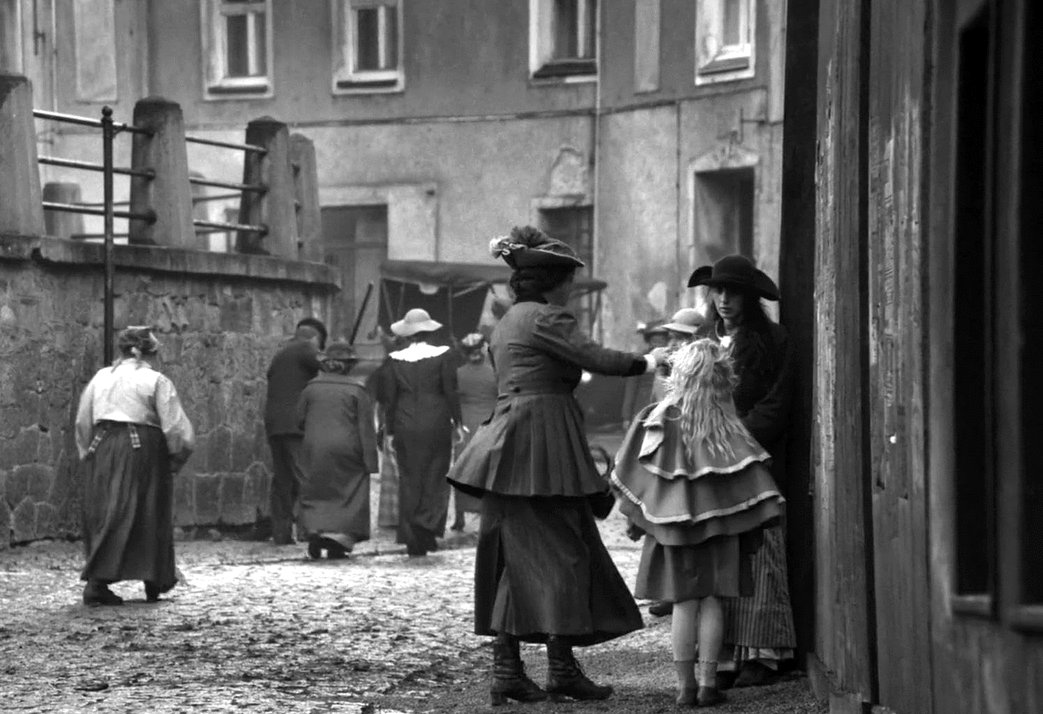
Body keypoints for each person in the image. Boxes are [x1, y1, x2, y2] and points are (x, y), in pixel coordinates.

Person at [448, 225, 671, 705]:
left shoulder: (509, 320)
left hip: (509, 440)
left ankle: (513, 668)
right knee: (565, 552)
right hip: (540, 439)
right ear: (552, 280)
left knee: (512, 555)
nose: (572, 285)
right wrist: (652, 361)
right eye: (569, 276)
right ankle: (557, 668)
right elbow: (596, 358)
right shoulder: (548, 318)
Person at [612, 339, 785, 706]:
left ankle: (684, 688)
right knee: (712, 602)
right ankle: (708, 684)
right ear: (722, 378)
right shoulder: (729, 427)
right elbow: (750, 476)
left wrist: (640, 520)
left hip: (674, 526)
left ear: (680, 374)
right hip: (722, 527)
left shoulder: (658, 417)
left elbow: (637, 474)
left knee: (684, 604)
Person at [689, 254, 797, 688]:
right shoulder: (702, 342)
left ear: (751, 298)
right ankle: (724, 655)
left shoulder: (773, 341)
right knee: (719, 550)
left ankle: (764, 654)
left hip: (754, 457)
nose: (724, 300)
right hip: (709, 462)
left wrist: (740, 441)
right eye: (718, 291)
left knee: (762, 548)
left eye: (733, 292)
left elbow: (778, 401)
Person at [74, 326, 195, 606]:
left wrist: (88, 451)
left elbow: (83, 420)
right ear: (149, 353)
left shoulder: (101, 377)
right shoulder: (155, 380)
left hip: (102, 446)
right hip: (143, 449)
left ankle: (100, 580)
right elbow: (175, 427)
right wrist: (176, 457)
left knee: (108, 511)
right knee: (148, 509)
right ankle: (152, 578)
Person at [379, 308, 464, 557]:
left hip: (405, 424)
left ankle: (411, 535)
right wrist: (458, 423)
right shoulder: (443, 356)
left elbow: (390, 400)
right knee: (435, 476)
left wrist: (390, 431)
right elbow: (450, 391)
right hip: (436, 422)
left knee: (408, 478)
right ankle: (427, 528)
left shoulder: (394, 360)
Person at [296, 341, 379, 560]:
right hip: (347, 448)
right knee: (348, 491)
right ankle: (339, 538)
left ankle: (315, 531)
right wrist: (370, 461)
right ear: (349, 365)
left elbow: (299, 420)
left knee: (315, 489)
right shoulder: (357, 391)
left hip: (314, 447)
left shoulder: (311, 388)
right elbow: (366, 428)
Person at [264, 317, 327, 545]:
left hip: (274, 424)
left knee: (282, 479)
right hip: (295, 425)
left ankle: (281, 532)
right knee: (303, 476)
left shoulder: (282, 354)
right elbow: (329, 368)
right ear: (315, 339)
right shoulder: (305, 349)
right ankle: (308, 530)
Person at [451, 332, 498, 532]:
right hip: (490, 425)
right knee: (489, 469)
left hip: (466, 426)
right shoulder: (495, 373)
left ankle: (460, 516)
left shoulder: (458, 374)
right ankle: (488, 511)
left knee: (462, 469)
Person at [620, 320, 668, 429]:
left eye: (662, 340)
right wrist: (627, 417)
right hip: (643, 408)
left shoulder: (673, 359)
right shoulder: (640, 360)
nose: (658, 344)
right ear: (649, 341)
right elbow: (631, 389)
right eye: (655, 340)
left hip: (666, 409)